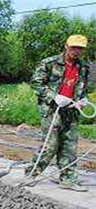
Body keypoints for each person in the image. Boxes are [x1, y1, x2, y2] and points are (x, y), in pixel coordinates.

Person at [24, 35, 92, 192]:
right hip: (52, 109)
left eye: (80, 48)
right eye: (74, 47)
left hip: (72, 109)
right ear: (66, 46)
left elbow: (83, 87)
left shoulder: (84, 67)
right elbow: (36, 83)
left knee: (70, 145)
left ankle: (68, 179)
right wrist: (53, 97)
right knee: (51, 144)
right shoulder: (49, 63)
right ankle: (31, 174)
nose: (76, 51)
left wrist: (83, 99)